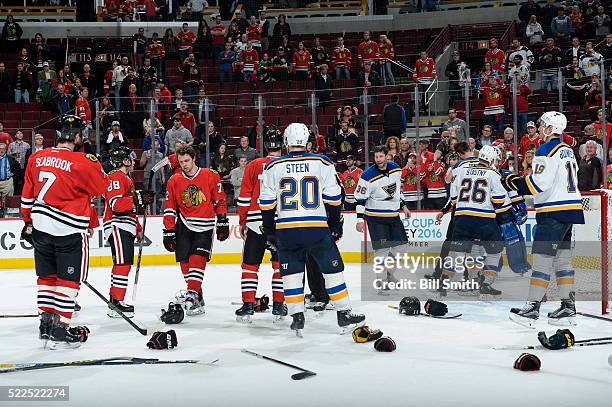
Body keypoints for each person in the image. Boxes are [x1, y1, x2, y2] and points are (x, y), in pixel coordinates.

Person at [259, 122, 365, 336]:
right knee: (333, 270)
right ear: (307, 140)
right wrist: (336, 223)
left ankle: (297, 316)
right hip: (316, 227)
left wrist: (269, 229)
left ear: (286, 142)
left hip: (287, 229)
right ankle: (343, 312)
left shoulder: (273, 167)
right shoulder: (321, 162)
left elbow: (266, 202)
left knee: (291, 274)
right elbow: (334, 198)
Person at [20, 115, 108, 349]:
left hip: (39, 226)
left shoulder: (36, 157)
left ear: (59, 135)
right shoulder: (82, 161)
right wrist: (95, 164)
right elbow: (101, 188)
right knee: (68, 280)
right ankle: (61, 327)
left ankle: (45, 325)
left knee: (46, 277)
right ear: (78, 137)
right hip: (68, 229)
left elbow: (27, 196)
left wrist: (27, 222)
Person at [504, 112, 584, 327]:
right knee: (563, 260)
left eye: (541, 125)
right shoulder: (567, 149)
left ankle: (532, 308)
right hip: (570, 210)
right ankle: (568, 307)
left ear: (550, 128)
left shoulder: (546, 149)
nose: (539, 128)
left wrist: (513, 182)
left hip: (553, 212)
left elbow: (538, 185)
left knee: (541, 259)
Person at [162, 145, 229, 316]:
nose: (184, 164)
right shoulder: (174, 180)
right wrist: (168, 230)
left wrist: (222, 220)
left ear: (194, 159)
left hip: (205, 225)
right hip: (184, 224)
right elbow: (170, 207)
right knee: (185, 262)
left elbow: (219, 200)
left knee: (197, 258)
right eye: (181, 161)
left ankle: (191, 294)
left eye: (187, 161)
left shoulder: (210, 175)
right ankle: (197, 295)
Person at [445, 145, 509, 296]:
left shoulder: (461, 169)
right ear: (491, 159)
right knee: (495, 250)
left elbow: (453, 197)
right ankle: (486, 284)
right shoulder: (492, 173)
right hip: (484, 219)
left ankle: (451, 283)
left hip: (461, 217)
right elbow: (499, 199)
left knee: (458, 249)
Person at [235, 134, 286, 323]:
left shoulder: (254, 164)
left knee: (250, 266)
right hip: (281, 222)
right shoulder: (287, 164)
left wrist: (242, 221)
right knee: (279, 266)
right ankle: (279, 306)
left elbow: (245, 196)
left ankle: (248, 305)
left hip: (256, 221)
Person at [103, 147, 153, 318]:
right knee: (122, 264)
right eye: (130, 158)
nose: (133, 161)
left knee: (123, 264)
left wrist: (138, 228)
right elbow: (116, 205)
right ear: (124, 161)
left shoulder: (126, 178)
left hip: (126, 226)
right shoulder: (115, 176)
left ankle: (115, 300)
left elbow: (130, 210)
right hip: (118, 225)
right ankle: (116, 302)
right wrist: (137, 198)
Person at [355, 144, 410, 292]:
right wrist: (360, 219)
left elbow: (398, 191)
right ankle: (382, 280)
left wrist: (404, 206)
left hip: (393, 216)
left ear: (387, 155)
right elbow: (360, 198)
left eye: (381, 156)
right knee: (382, 251)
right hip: (375, 218)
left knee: (401, 247)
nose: (378, 159)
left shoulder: (396, 169)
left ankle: (389, 274)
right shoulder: (367, 175)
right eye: (376, 156)